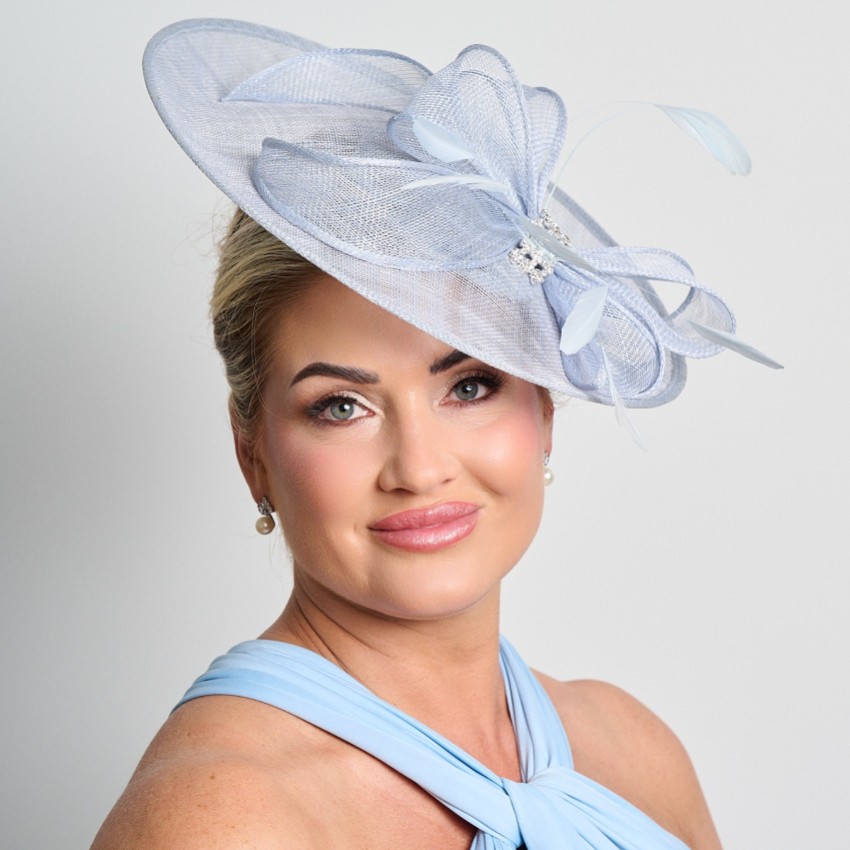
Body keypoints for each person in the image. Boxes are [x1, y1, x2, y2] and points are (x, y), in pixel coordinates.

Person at [91, 19, 778, 850]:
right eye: (341, 406)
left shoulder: (633, 749)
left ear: (544, 411)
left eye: (470, 386)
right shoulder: (222, 819)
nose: (418, 468)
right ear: (253, 455)